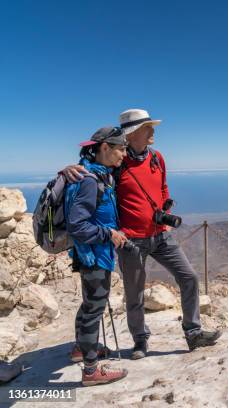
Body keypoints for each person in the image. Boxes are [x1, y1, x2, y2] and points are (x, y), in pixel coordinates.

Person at [63, 109, 221, 359]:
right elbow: (91, 171)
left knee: (189, 277)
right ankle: (140, 341)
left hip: (161, 236)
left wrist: (165, 207)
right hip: (131, 240)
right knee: (134, 294)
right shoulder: (117, 161)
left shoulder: (157, 158)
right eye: (148, 127)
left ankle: (193, 332)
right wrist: (68, 169)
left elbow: (163, 186)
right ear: (133, 133)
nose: (153, 132)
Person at [65, 126, 129, 386]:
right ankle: (91, 371)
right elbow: (78, 225)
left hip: (89, 253)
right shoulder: (90, 180)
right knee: (94, 309)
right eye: (121, 148)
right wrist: (109, 235)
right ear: (105, 148)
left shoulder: (92, 172)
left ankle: (82, 349)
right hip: (94, 254)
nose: (124, 154)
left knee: (89, 304)